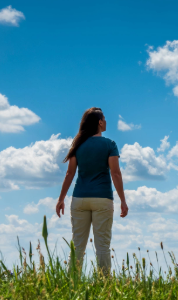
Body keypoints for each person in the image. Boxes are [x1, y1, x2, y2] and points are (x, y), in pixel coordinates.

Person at [55, 107, 129, 275]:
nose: (106, 121)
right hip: (102, 199)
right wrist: (123, 201)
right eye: (104, 118)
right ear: (100, 122)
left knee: (78, 245)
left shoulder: (78, 145)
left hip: (79, 199)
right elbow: (115, 173)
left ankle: (72, 284)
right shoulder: (110, 145)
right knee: (102, 245)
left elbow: (70, 173)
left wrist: (61, 199)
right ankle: (104, 286)